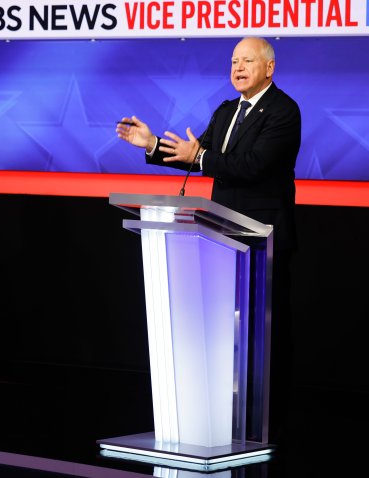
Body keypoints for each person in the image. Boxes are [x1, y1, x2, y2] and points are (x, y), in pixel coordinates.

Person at [116, 36, 300, 444]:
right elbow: (194, 152)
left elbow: (252, 166)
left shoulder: (284, 112)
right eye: (234, 60)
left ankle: (272, 425)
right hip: (222, 236)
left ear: (268, 68)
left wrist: (199, 157)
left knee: (266, 337)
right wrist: (151, 145)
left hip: (262, 239)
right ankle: (226, 417)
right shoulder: (226, 110)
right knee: (226, 334)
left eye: (247, 60)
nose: (238, 67)